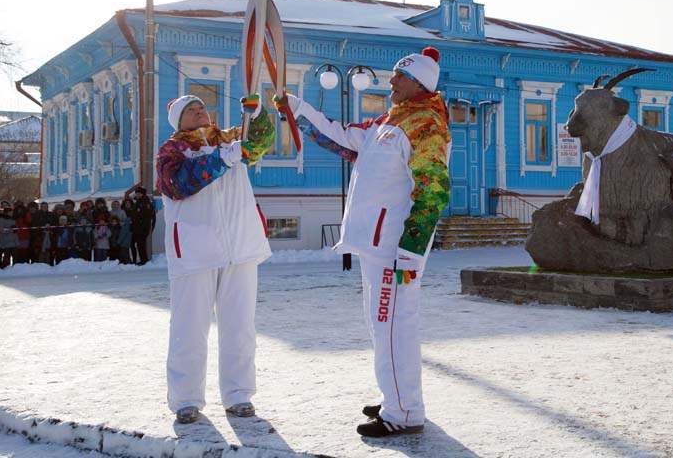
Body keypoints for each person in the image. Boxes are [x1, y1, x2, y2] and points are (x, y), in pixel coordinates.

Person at [285, 46, 451, 437]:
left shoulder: (426, 124)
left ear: (419, 83)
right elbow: (339, 136)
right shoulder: (388, 122)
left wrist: (411, 248)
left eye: (399, 76)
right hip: (375, 243)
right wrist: (296, 108)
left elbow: (433, 189)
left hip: (396, 246)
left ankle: (404, 412)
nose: (391, 81)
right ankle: (397, 395)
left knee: (394, 324)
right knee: (382, 324)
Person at [155, 93, 274, 424]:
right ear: (179, 121)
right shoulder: (171, 151)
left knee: (240, 326)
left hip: (240, 246)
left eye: (201, 107)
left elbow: (263, 140)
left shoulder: (231, 139)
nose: (199, 111)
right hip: (195, 251)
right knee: (189, 328)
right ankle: (185, 399)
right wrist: (224, 158)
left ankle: (238, 395)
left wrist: (258, 112)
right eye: (190, 110)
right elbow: (179, 184)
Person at [127, 186, 156, 265]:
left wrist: (143, 227)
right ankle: (136, 259)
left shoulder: (146, 202)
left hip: (142, 228)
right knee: (133, 244)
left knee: (141, 245)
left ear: (142, 194)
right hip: (136, 228)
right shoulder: (138, 202)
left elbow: (147, 216)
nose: (137, 195)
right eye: (136, 193)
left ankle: (144, 260)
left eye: (139, 193)